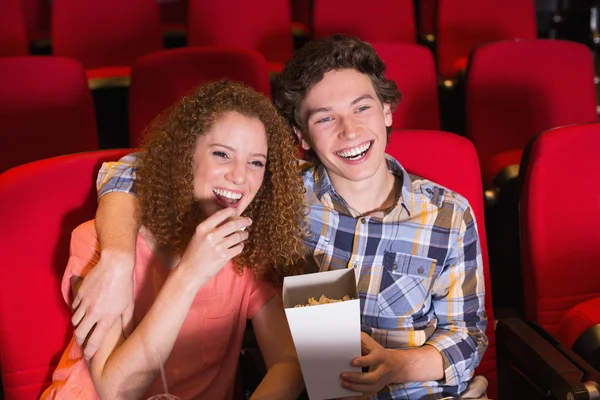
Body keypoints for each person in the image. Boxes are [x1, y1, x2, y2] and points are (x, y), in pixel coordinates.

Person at [74, 35, 488, 399]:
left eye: (362, 108)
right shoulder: (277, 197)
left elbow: (469, 334)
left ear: (387, 112)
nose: (348, 131)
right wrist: (117, 256)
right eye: (325, 118)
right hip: (328, 388)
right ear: (302, 138)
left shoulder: (448, 214)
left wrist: (400, 366)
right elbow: (134, 169)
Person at [41, 81, 307, 400]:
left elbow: (289, 363)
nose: (240, 176)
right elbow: (116, 390)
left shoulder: (249, 246)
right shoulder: (96, 242)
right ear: (185, 156)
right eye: (222, 154)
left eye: (256, 162)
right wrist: (190, 274)